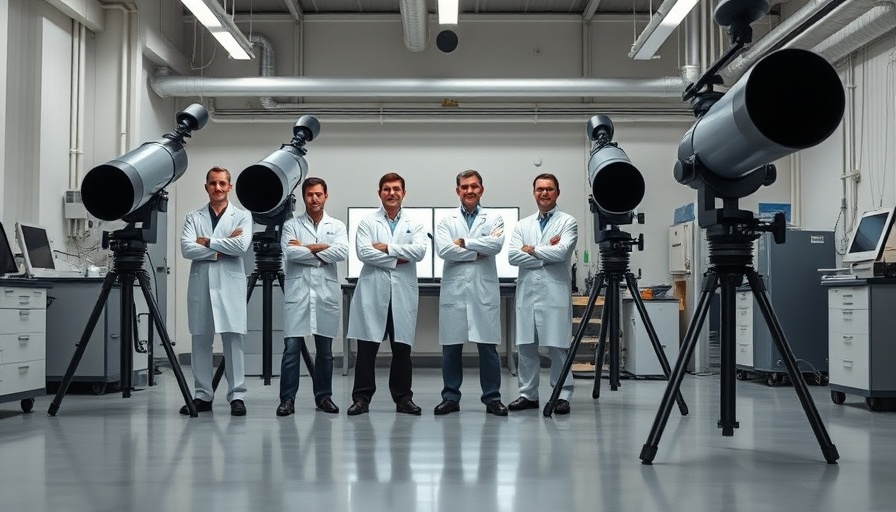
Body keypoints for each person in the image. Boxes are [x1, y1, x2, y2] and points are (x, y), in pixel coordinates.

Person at [346, 172, 427, 416]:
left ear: (404, 193)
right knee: (367, 348)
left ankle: (403, 398)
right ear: (379, 192)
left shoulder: (416, 224)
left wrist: (387, 248)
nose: (391, 193)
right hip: (373, 290)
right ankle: (361, 398)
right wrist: (398, 258)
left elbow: (420, 251)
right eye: (387, 189)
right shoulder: (367, 222)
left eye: (396, 189)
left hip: (402, 292)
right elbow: (364, 253)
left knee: (402, 349)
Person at [433, 169, 508, 416]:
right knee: (451, 347)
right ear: (458, 191)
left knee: (487, 346)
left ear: (481, 189)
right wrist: (479, 250)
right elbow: (444, 250)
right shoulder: (446, 221)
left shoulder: (494, 218)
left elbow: (495, 245)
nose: (469, 191)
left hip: (482, 289)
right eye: (464, 187)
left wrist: (463, 243)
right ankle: (450, 397)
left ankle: (492, 398)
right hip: (455, 289)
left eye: (474, 186)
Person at [180, 166, 253, 416]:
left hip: (230, 284)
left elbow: (241, 246)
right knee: (201, 339)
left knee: (234, 339)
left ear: (229, 187)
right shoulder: (194, 216)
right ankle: (202, 395)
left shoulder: (242, 216)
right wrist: (222, 249)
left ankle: (237, 396)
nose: (218, 188)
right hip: (201, 284)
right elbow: (187, 249)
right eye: (213, 183)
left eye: (222, 183)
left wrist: (208, 242)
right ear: (206, 187)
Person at [277, 177, 348, 416]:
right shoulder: (291, 225)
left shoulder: (336, 226)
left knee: (325, 352)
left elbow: (341, 252)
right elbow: (290, 252)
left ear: (325, 196)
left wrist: (306, 248)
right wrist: (321, 248)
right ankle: (287, 399)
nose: (314, 199)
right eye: (310, 195)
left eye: (319, 194)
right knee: (291, 349)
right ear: (304, 197)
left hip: (324, 294)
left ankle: (323, 397)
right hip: (299, 294)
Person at [507, 173, 578, 414]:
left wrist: (533, 250)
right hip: (527, 293)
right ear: (533, 192)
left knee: (558, 346)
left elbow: (562, 253)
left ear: (558, 192)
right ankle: (528, 395)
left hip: (554, 292)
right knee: (526, 346)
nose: (544, 193)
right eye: (539, 189)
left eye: (549, 189)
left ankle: (562, 394)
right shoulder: (522, 225)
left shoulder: (569, 222)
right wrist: (546, 252)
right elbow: (512, 256)